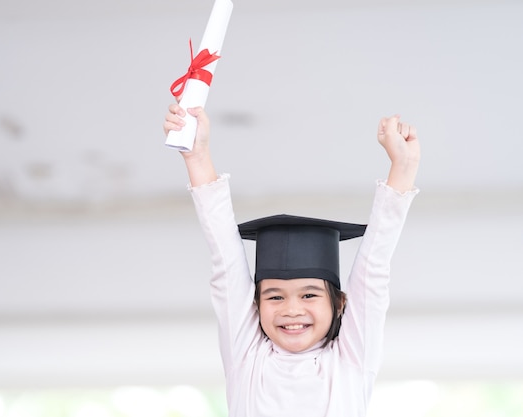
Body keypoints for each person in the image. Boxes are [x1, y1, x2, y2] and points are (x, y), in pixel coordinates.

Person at [163, 103, 420, 417]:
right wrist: (197, 155)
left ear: (340, 303)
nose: (291, 309)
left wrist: (403, 167)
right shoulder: (245, 357)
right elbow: (224, 259)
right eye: (274, 296)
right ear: (254, 305)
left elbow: (374, 267)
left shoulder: (351, 361)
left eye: (309, 294)